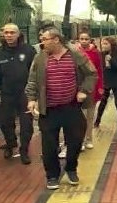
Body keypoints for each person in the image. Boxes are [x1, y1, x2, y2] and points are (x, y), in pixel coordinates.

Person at [26, 27, 97, 189]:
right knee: (49, 145)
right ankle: (52, 175)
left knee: (75, 140)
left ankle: (71, 168)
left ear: (56, 39)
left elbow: (91, 74)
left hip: (71, 107)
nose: (42, 42)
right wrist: (31, 99)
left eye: (45, 39)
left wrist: (84, 91)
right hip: (49, 109)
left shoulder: (75, 55)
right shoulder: (40, 58)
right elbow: (32, 81)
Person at [0, 24, 37, 164]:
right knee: (5, 122)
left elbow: (35, 72)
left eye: (12, 32)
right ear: (3, 35)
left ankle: (24, 150)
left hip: (25, 93)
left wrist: (34, 95)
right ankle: (11, 144)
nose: (9, 35)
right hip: (6, 93)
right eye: (6, 32)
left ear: (18, 34)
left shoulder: (29, 50)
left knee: (26, 124)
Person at [75, 32, 103, 150]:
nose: (84, 41)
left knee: (90, 117)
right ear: (78, 40)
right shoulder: (74, 53)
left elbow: (99, 71)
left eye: (86, 39)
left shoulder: (96, 54)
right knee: (78, 118)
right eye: (82, 39)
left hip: (92, 89)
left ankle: (89, 139)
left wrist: (100, 86)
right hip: (77, 89)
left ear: (90, 40)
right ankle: (79, 141)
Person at [94, 36, 117, 131]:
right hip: (106, 80)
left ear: (111, 45)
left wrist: (111, 60)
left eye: (106, 44)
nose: (103, 46)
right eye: (102, 44)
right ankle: (97, 121)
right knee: (103, 101)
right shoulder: (101, 55)